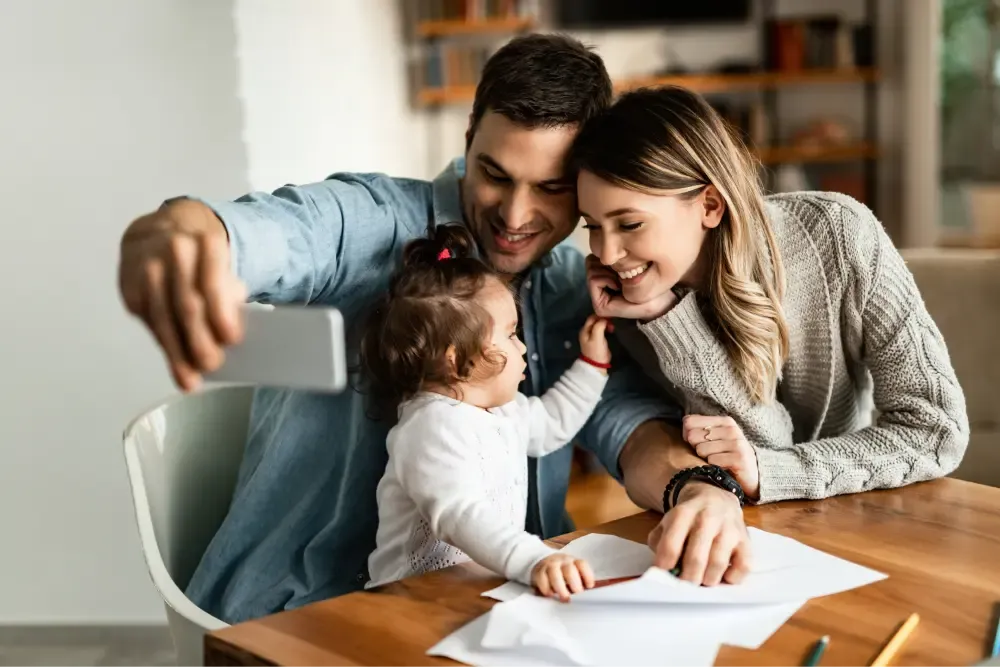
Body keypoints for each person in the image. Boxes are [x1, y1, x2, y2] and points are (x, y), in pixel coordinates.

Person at [117, 35, 751, 624]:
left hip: (495, 610)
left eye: (552, 188)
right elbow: (275, 232)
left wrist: (696, 486)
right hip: (303, 609)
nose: (514, 215)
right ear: (470, 135)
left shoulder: (571, 281)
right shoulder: (375, 222)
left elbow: (618, 416)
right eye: (495, 174)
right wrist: (181, 235)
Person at [570, 85, 969, 507]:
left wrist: (772, 472)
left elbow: (937, 430)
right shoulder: (631, 307)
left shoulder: (840, 236)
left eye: (629, 224)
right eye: (591, 225)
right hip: (754, 533)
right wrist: (670, 321)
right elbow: (748, 459)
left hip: (863, 509)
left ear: (709, 206)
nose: (606, 253)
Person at [362, 225, 610, 601]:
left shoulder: (501, 412)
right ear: (456, 358)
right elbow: (460, 512)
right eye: (511, 335)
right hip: (409, 599)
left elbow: (551, 426)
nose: (523, 348)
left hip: (470, 588)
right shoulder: (430, 426)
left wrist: (592, 365)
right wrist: (532, 559)